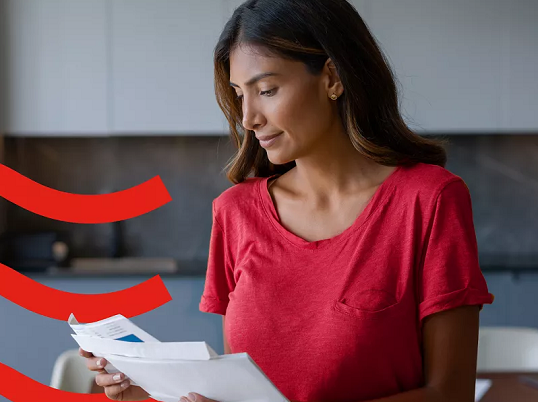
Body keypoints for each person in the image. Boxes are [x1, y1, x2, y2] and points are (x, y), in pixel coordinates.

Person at [80, 0, 494, 401]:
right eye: (240, 94)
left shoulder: (430, 200)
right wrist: (149, 389)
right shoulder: (235, 212)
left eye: (267, 89)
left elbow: (449, 393)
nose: (248, 118)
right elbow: (238, 388)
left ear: (332, 77)